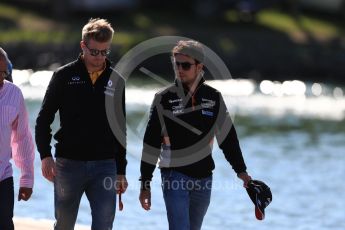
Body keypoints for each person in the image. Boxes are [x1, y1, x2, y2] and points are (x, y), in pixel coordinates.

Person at [139, 40, 252, 230]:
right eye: (177, 64)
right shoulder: (163, 98)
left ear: (199, 66)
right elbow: (150, 142)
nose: (180, 69)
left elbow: (228, 138)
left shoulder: (213, 97)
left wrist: (242, 172)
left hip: (204, 178)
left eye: (186, 65)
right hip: (174, 176)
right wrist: (145, 183)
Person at [35, 18, 127, 230]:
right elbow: (43, 119)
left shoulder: (117, 80)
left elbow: (120, 129)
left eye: (105, 52)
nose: (99, 58)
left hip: (105, 165)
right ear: (83, 45)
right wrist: (45, 155)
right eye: (94, 52)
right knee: (64, 225)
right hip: (68, 164)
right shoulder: (63, 76)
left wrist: (121, 170)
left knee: (104, 226)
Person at [0, 47, 35, 230]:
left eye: (3, 72)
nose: (1, 77)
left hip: (3, 176)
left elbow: (22, 138)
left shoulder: (14, 94)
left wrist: (27, 179)